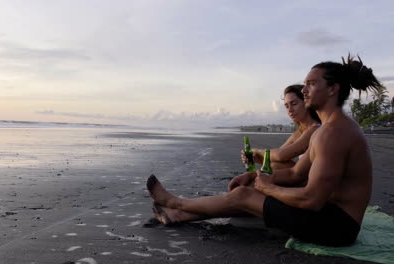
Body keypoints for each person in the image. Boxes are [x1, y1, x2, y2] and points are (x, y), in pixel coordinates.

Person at [147, 55, 381, 246]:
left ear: (332, 90)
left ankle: (176, 203)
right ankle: (179, 214)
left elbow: (312, 199)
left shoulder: (335, 133)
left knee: (244, 195)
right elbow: (296, 174)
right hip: (326, 215)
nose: (305, 90)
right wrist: (255, 176)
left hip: (336, 228)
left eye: (311, 84)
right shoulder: (326, 130)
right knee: (249, 189)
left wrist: (269, 187)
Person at [242, 85, 321, 170]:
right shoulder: (299, 133)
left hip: (314, 180)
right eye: (286, 106)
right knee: (275, 164)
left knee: (275, 165)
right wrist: (256, 158)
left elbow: (281, 155)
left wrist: (257, 151)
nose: (290, 110)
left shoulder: (316, 129)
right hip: (303, 176)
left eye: (294, 104)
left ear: (306, 103)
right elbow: (276, 157)